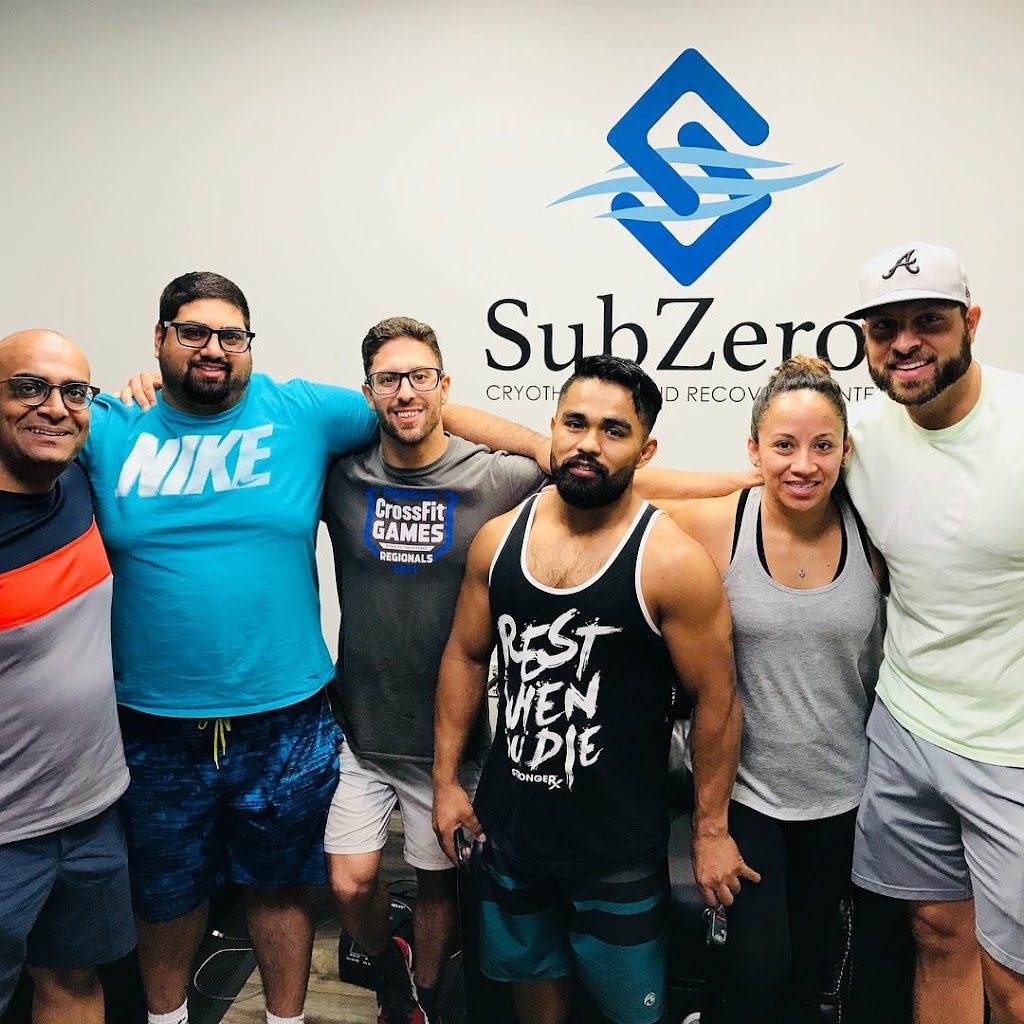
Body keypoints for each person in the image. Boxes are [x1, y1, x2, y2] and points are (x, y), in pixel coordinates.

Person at [78, 272, 381, 1024]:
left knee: (279, 885)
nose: (214, 349)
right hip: (150, 718)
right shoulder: (110, 424)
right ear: (160, 338)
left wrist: (544, 446)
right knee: (165, 890)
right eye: (193, 332)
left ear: (249, 343)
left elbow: (421, 408)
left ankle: (285, 1020)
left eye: (231, 335)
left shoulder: (303, 411)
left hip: (283, 713)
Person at [432, 355, 756, 1024]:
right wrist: (445, 782)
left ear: (646, 449)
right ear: (552, 427)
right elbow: (465, 655)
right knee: (533, 991)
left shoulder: (672, 563)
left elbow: (718, 703)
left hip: (617, 844)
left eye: (614, 430)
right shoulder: (498, 541)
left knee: (628, 1012)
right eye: (575, 423)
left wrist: (710, 830)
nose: (588, 443)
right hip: (512, 829)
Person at [321, 317, 547, 1024]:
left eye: (421, 376)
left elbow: (593, 470)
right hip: (361, 730)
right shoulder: (340, 476)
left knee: (436, 888)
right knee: (351, 883)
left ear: (446, 384)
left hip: (451, 740)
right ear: (368, 393)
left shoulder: (495, 477)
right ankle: (391, 972)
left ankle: (414, 1003)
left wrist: (537, 441)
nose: (406, 392)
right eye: (389, 379)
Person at [660, 356, 885, 1023]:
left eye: (823, 446)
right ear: (754, 449)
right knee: (758, 973)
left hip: (843, 796)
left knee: (809, 978)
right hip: (748, 797)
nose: (804, 465)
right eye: (783, 445)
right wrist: (746, 481)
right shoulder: (719, 524)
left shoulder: (874, 533)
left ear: (846, 451)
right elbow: (620, 482)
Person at [845, 242, 1024, 1024]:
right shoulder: (856, 435)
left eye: (928, 321)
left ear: (971, 323)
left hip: (1011, 748)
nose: (905, 343)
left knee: (1014, 985)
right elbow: (753, 486)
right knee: (938, 933)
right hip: (906, 726)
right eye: (884, 328)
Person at [0, 330, 134, 1023]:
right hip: (5, 835)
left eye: (74, 391)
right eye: (28, 387)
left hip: (91, 813)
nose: (54, 407)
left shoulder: (76, 479)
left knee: (73, 979)